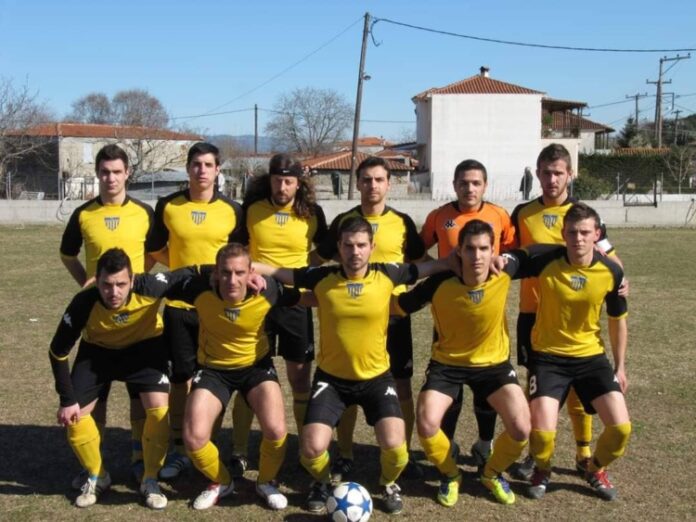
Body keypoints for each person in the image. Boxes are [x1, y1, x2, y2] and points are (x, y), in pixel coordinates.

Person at [254, 216, 451, 515]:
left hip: (376, 379)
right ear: (339, 247)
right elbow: (286, 274)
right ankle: (322, 482)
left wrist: (451, 262)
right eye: (348, 245)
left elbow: (425, 268)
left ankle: (388, 483)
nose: (355, 252)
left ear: (372, 246)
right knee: (310, 449)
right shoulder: (323, 277)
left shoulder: (388, 273)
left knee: (397, 449)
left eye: (361, 245)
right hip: (331, 381)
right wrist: (254, 268)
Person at [395, 220, 530, 507]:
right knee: (427, 423)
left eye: (484, 249)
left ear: (493, 250)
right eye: (470, 249)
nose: (477, 256)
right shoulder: (439, 283)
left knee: (521, 428)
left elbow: (542, 254)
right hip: (447, 365)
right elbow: (399, 306)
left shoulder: (503, 272)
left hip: (493, 365)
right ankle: (450, 474)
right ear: (459, 251)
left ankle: (491, 474)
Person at [510, 143, 622, 480]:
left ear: (570, 174)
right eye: (546, 173)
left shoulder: (582, 214)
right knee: (537, 384)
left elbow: (610, 257)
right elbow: (510, 254)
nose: (552, 179)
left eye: (558, 173)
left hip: (574, 311)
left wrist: (623, 279)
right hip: (532, 312)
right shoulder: (522, 212)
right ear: (537, 174)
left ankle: (583, 451)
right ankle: (536, 454)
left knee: (577, 387)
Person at [49, 248, 191, 510]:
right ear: (97, 281)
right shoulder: (84, 302)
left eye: (121, 284)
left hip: (144, 350)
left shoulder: (150, 286)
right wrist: (67, 400)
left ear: (132, 279)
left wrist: (230, 277)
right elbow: (57, 352)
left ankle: (150, 478)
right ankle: (97, 476)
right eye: (106, 285)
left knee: (159, 412)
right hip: (97, 355)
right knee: (75, 417)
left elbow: (190, 274)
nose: (113, 292)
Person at [170, 243, 303, 511]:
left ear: (251, 272)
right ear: (216, 273)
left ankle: (265, 482)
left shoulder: (268, 290)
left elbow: (308, 295)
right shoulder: (199, 289)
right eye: (226, 272)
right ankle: (221, 482)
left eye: (240, 272)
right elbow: (158, 283)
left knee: (277, 430)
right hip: (213, 370)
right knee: (194, 437)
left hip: (256, 367)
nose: (232, 280)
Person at [316, 156, 426, 481]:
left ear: (389, 184)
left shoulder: (403, 222)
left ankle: (403, 452)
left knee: (402, 385)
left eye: (379, 179)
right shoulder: (343, 221)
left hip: (394, 318)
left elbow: (421, 262)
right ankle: (345, 453)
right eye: (366, 179)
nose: (372, 185)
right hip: (353, 317)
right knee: (347, 384)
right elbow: (318, 259)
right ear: (358, 183)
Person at [148, 142, 245, 479]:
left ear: (218, 170)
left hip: (217, 308)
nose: (201, 170)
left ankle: (208, 443)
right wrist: (178, 270)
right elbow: (154, 249)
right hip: (178, 306)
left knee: (214, 379)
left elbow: (240, 257)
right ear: (188, 168)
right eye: (196, 164)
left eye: (208, 165)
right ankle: (179, 448)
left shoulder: (233, 210)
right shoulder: (168, 205)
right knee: (181, 379)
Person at [60, 144, 155, 486]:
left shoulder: (144, 212)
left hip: (139, 323)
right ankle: (95, 465)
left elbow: (157, 253)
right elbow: (67, 254)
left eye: (116, 171)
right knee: (95, 397)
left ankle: (138, 456)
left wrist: (138, 284)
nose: (110, 178)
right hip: (98, 323)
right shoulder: (83, 214)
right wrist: (88, 286)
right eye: (104, 172)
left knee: (139, 395)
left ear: (127, 173)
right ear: (97, 174)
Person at [228, 154, 327, 477]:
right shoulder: (252, 209)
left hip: (297, 303)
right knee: (250, 372)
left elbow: (326, 250)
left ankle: (304, 449)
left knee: (299, 378)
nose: (282, 187)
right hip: (257, 301)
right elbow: (238, 250)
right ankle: (239, 450)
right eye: (277, 180)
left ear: (299, 183)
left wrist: (302, 270)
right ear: (268, 180)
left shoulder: (312, 212)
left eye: (288, 181)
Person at [419, 159, 515, 466]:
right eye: (463, 183)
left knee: (487, 383)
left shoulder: (499, 215)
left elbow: (514, 251)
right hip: (449, 310)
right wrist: (439, 268)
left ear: (485, 186)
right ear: (454, 185)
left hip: (485, 311)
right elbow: (417, 251)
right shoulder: (440, 216)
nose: (469, 188)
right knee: (450, 383)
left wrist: (500, 262)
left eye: (475, 183)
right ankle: (448, 444)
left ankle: (485, 443)